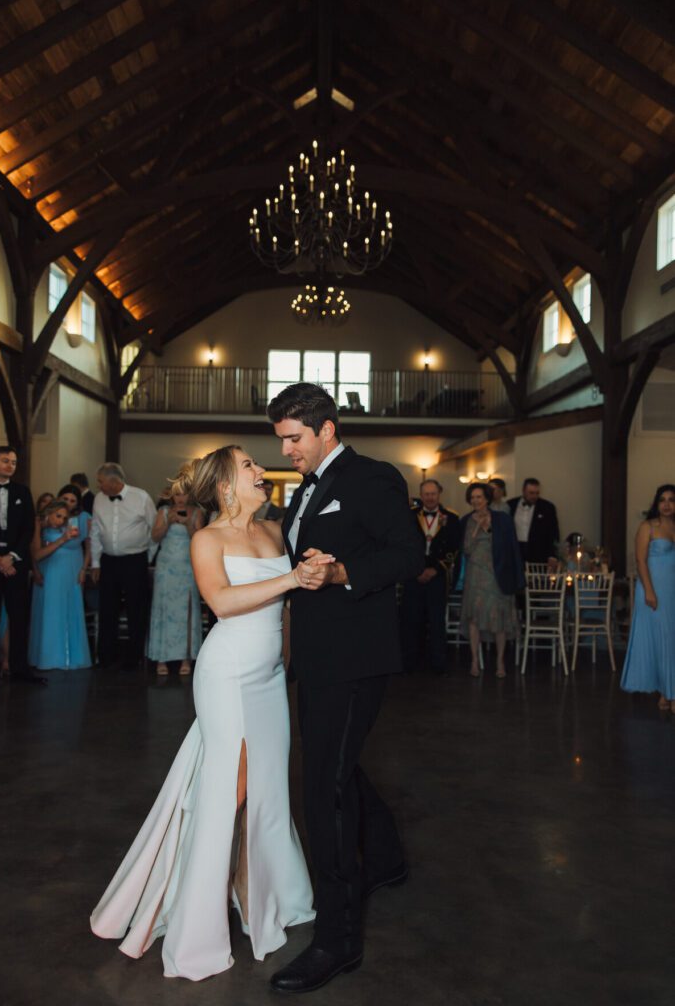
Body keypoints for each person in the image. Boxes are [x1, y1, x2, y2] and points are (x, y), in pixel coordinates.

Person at [91, 445, 317, 979]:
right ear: (224, 486)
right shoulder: (206, 539)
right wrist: (292, 580)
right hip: (228, 675)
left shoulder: (273, 532)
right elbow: (221, 602)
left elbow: (283, 613)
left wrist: (286, 659)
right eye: (250, 468)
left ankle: (255, 888)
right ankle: (197, 901)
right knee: (230, 789)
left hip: (267, 677)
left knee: (267, 787)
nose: (262, 471)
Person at [267, 383, 424, 994]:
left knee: (323, 788)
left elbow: (409, 554)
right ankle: (385, 858)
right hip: (317, 655)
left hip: (357, 656)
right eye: (280, 439)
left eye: (294, 438)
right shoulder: (304, 488)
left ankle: (337, 939)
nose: (286, 450)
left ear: (327, 429)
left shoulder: (372, 478)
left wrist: (343, 572)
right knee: (337, 766)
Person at [90, 463, 157, 670]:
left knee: (136, 609)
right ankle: (106, 657)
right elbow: (95, 532)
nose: (98, 485)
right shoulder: (98, 499)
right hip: (108, 560)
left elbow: (155, 528)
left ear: (113, 481)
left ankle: (133, 658)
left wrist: (147, 558)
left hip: (135, 559)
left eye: (101, 481)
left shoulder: (141, 497)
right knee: (107, 608)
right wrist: (95, 562)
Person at [460, 482, 524, 679]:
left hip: (498, 575)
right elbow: (466, 550)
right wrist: (477, 527)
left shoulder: (502, 519)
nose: (475, 501)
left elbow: (513, 548)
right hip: (475, 575)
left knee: (499, 619)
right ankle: (474, 661)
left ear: (487, 498)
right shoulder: (465, 521)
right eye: (472, 498)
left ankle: (500, 662)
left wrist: (517, 576)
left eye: (479, 497)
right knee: (474, 618)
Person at [621, 484, 675, 712]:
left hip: (672, 589)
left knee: (671, 641)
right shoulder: (648, 526)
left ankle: (666, 692)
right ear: (656, 502)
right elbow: (641, 561)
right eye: (662, 499)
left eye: (672, 499)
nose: (666, 504)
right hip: (653, 589)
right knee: (662, 639)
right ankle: (672, 693)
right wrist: (650, 591)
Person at [0, 445, 42, 688]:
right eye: (5, 461)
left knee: (19, 616)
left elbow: (27, 529)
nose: (10, 465)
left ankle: (20, 669)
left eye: (13, 462)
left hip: (15, 564)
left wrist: (11, 556)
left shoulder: (22, 491)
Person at [148, 463, 204, 677]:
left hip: (187, 567)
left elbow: (199, 539)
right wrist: (168, 523)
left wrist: (187, 522)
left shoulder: (197, 513)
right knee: (163, 608)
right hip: (166, 567)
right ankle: (161, 657)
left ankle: (185, 657)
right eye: (177, 494)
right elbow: (154, 538)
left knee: (186, 611)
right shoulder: (162, 512)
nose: (180, 499)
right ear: (172, 496)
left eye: (184, 495)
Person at [400, 478, 460, 674]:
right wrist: (416, 570)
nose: (430, 497)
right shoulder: (409, 516)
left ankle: (438, 663)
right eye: (426, 494)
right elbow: (403, 545)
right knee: (411, 620)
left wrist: (436, 569)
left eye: (433, 493)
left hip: (437, 575)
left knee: (436, 620)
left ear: (439, 494)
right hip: (413, 575)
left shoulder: (451, 518)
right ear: (421, 494)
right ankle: (410, 662)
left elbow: (454, 548)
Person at [28, 499, 91, 672]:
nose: (61, 520)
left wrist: (83, 567)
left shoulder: (69, 528)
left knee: (70, 611)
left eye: (64, 517)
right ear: (48, 514)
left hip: (69, 573)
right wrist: (62, 540)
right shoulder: (39, 527)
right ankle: (49, 656)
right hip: (50, 572)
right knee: (51, 612)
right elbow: (37, 555)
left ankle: (71, 656)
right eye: (58, 516)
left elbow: (86, 544)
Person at [508, 477, 559, 564]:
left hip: (538, 551)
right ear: (523, 491)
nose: (534, 496)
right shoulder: (510, 505)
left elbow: (553, 532)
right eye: (531, 493)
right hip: (515, 549)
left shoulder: (547, 507)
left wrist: (552, 554)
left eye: (537, 493)